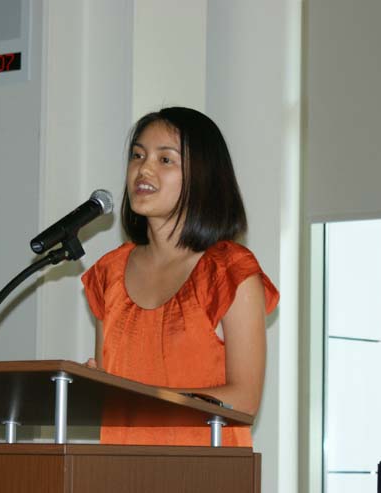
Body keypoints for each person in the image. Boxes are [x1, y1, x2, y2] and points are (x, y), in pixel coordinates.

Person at [81, 107, 279, 447]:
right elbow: (111, 391)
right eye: (138, 155)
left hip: (202, 473)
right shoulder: (108, 272)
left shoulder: (229, 270)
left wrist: (137, 401)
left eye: (165, 160)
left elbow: (244, 399)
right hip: (118, 472)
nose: (143, 169)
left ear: (203, 176)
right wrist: (93, 387)